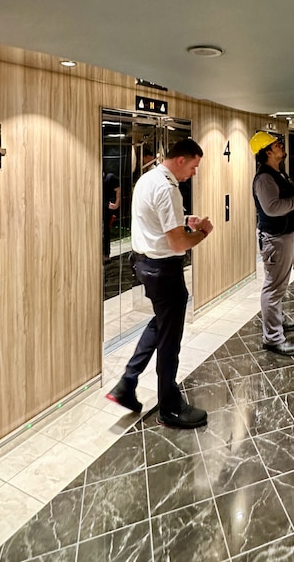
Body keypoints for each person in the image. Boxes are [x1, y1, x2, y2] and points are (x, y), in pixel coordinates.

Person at [106, 139, 213, 428]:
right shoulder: (168, 189)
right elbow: (178, 244)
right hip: (164, 270)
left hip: (143, 264)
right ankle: (170, 406)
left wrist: (183, 220)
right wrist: (202, 232)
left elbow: (154, 221)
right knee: (170, 340)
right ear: (181, 160)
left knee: (161, 321)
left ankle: (127, 382)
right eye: (193, 167)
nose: (193, 173)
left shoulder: (147, 179)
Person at [250, 131, 294, 356]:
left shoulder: (278, 173)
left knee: (280, 284)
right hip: (275, 239)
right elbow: (272, 208)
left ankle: (278, 317)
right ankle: (272, 338)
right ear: (268, 151)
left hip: (284, 236)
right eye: (277, 144)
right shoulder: (264, 178)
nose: (281, 146)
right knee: (273, 287)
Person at [102, 170, 121, 262]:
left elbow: (118, 189)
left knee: (105, 231)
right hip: (98, 206)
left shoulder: (109, 177)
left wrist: (117, 203)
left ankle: (106, 254)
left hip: (105, 207)